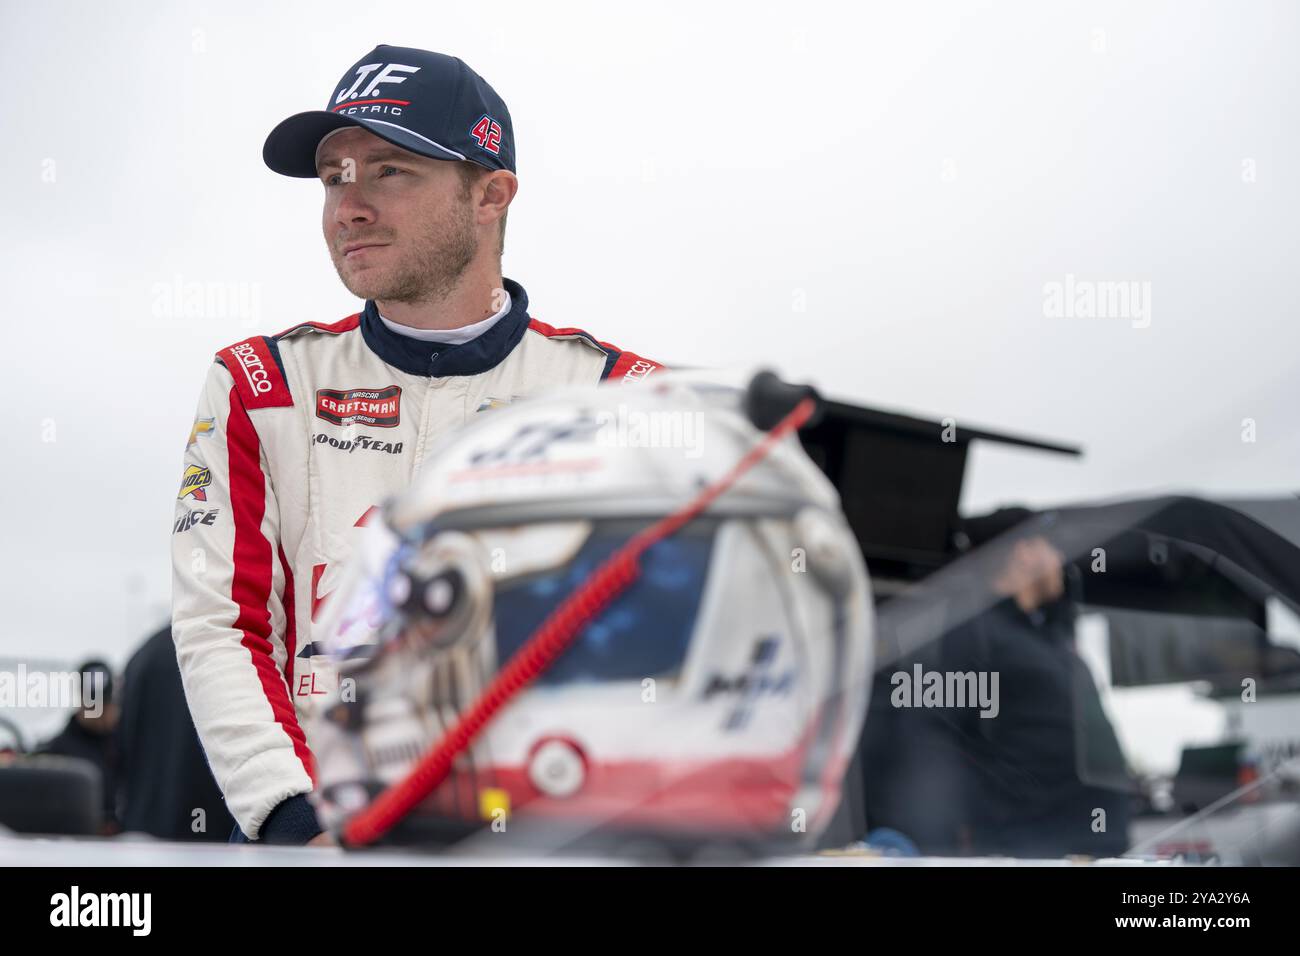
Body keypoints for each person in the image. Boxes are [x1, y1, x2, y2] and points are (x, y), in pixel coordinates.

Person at [171, 45, 662, 846]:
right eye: (335, 176)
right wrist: (298, 822)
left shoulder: (624, 398)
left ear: (490, 195)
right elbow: (222, 623)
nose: (349, 205)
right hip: (309, 836)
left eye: (390, 170)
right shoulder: (261, 384)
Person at [116, 625, 235, 842]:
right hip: (209, 828)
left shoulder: (143, 655)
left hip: (144, 824)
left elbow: (120, 745)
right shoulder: (224, 652)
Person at [36, 659, 120, 834]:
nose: (101, 711)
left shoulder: (126, 744)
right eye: (93, 703)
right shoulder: (57, 751)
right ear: (81, 699)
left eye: (106, 703)